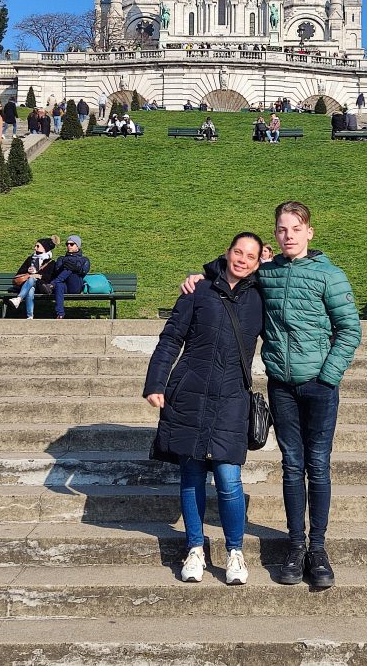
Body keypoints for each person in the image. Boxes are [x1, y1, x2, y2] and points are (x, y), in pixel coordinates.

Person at [182, 202, 362, 589]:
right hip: (281, 384)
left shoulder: (330, 275)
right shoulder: (269, 272)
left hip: (320, 385)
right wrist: (200, 274)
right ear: (275, 235)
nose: (289, 235)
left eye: (295, 228)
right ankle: (295, 547)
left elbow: (350, 330)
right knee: (292, 465)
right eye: (282, 229)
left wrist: (327, 377)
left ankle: (318, 549)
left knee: (318, 465)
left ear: (309, 232)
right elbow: (234, 267)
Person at [144, 232, 264, 586]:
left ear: (259, 263)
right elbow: (171, 338)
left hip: (231, 398)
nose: (242, 259)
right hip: (190, 393)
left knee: (229, 479)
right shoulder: (198, 290)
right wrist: (156, 382)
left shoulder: (261, 296)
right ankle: (195, 547)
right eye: (237, 252)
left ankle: (235, 552)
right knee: (192, 474)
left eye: (250, 256)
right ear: (227, 253)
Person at [8, 236, 60, 319]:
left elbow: (49, 277)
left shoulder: (50, 262)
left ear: (45, 248)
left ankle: (19, 299)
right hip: (27, 285)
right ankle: (30, 316)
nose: (35, 248)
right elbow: (19, 273)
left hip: (40, 286)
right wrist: (28, 270)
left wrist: (38, 276)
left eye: (38, 246)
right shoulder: (30, 259)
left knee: (32, 280)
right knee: (31, 289)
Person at [48, 235, 90, 319]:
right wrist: (65, 266)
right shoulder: (61, 259)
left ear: (78, 246)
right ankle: (60, 314)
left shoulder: (84, 259)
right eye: (67, 244)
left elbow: (84, 271)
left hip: (75, 286)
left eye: (71, 244)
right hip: (64, 285)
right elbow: (57, 270)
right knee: (59, 284)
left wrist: (74, 267)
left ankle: (53, 283)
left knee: (71, 268)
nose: (68, 246)